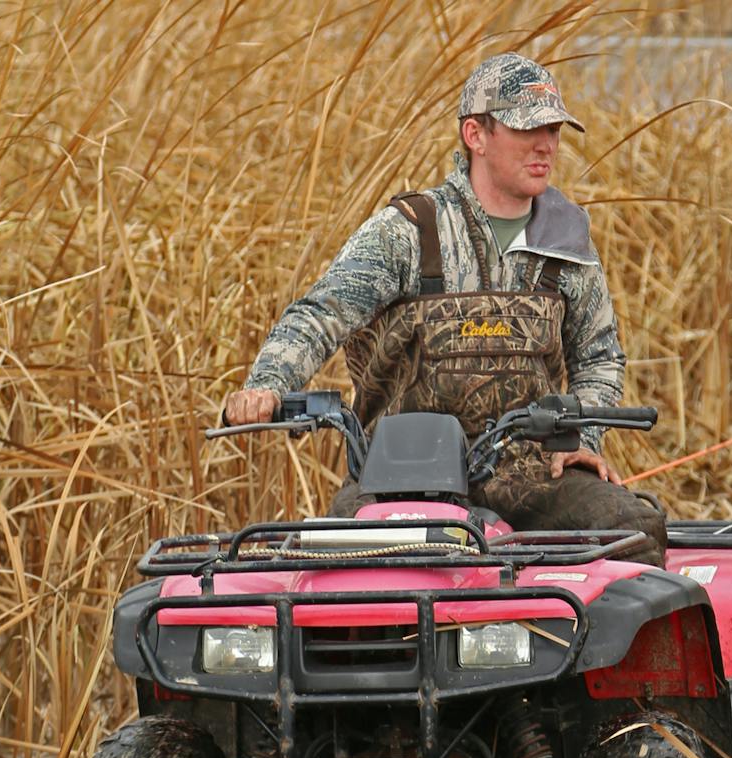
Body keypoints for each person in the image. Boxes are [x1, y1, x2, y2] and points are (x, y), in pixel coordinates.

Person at [222, 52, 667, 565]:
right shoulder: (410, 230)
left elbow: (599, 357)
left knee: (634, 528)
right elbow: (321, 313)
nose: (547, 144)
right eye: (528, 130)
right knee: (336, 561)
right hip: (398, 477)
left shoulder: (567, 244)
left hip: (530, 474)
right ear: (475, 134)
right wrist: (267, 384)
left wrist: (582, 437)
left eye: (554, 130)